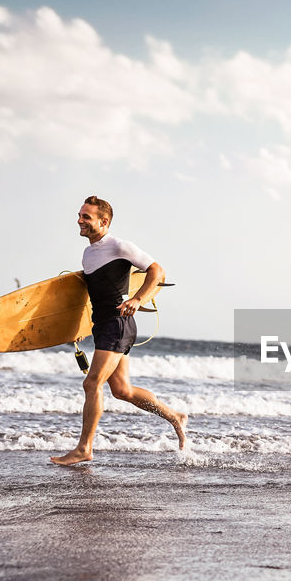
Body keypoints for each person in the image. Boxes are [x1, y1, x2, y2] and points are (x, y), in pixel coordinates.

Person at [51, 196, 187, 465]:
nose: (79, 220)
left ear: (104, 221)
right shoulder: (89, 253)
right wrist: (80, 328)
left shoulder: (119, 246)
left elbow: (157, 270)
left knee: (92, 383)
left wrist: (138, 300)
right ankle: (175, 416)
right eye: (79, 215)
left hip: (118, 323)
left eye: (86, 217)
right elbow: (93, 297)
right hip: (103, 324)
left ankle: (84, 448)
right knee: (122, 390)